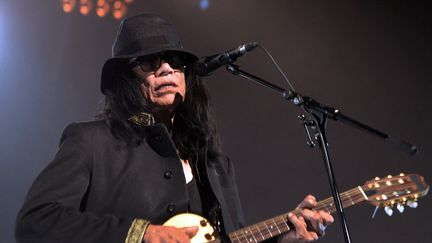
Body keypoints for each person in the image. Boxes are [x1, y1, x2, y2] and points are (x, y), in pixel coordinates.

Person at [15, 13, 333, 243]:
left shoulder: (216, 165)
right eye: (149, 62)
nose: (166, 68)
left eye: (174, 60)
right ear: (125, 79)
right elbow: (35, 221)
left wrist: (284, 238)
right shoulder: (91, 142)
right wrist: (141, 234)